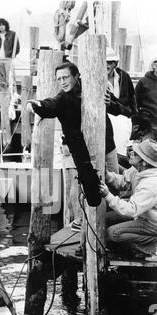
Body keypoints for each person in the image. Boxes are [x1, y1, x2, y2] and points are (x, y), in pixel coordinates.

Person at [27, 62, 118, 231]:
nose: (62, 82)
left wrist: (111, 103)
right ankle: (82, 228)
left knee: (113, 188)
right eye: (59, 79)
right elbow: (50, 105)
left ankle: (107, 227)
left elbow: (122, 108)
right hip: (80, 149)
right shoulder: (63, 97)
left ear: (76, 76)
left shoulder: (93, 88)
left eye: (65, 77)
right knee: (82, 191)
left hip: (106, 145)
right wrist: (36, 105)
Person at [100, 139, 157, 261]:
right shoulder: (137, 170)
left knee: (113, 233)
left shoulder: (151, 184)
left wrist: (107, 195)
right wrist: (108, 175)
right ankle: (138, 247)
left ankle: (153, 247)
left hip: (152, 224)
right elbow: (124, 181)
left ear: (144, 163)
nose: (131, 153)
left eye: (136, 154)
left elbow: (131, 210)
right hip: (143, 216)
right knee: (107, 218)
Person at [105, 47, 137, 167]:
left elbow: (132, 98)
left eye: (110, 62)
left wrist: (134, 117)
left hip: (124, 118)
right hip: (107, 118)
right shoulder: (96, 77)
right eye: (104, 62)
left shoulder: (124, 76)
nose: (107, 65)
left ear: (115, 63)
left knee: (123, 150)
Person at [0, 18, 20, 88]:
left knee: (10, 80)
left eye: (3, 25)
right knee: (2, 81)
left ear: (6, 25)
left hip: (8, 60)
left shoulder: (13, 34)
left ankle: (11, 97)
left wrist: (12, 55)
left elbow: (17, 47)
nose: (1, 26)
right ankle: (4, 97)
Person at [135, 58, 157, 139]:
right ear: (154, 66)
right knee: (147, 149)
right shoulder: (143, 82)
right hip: (149, 125)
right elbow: (135, 103)